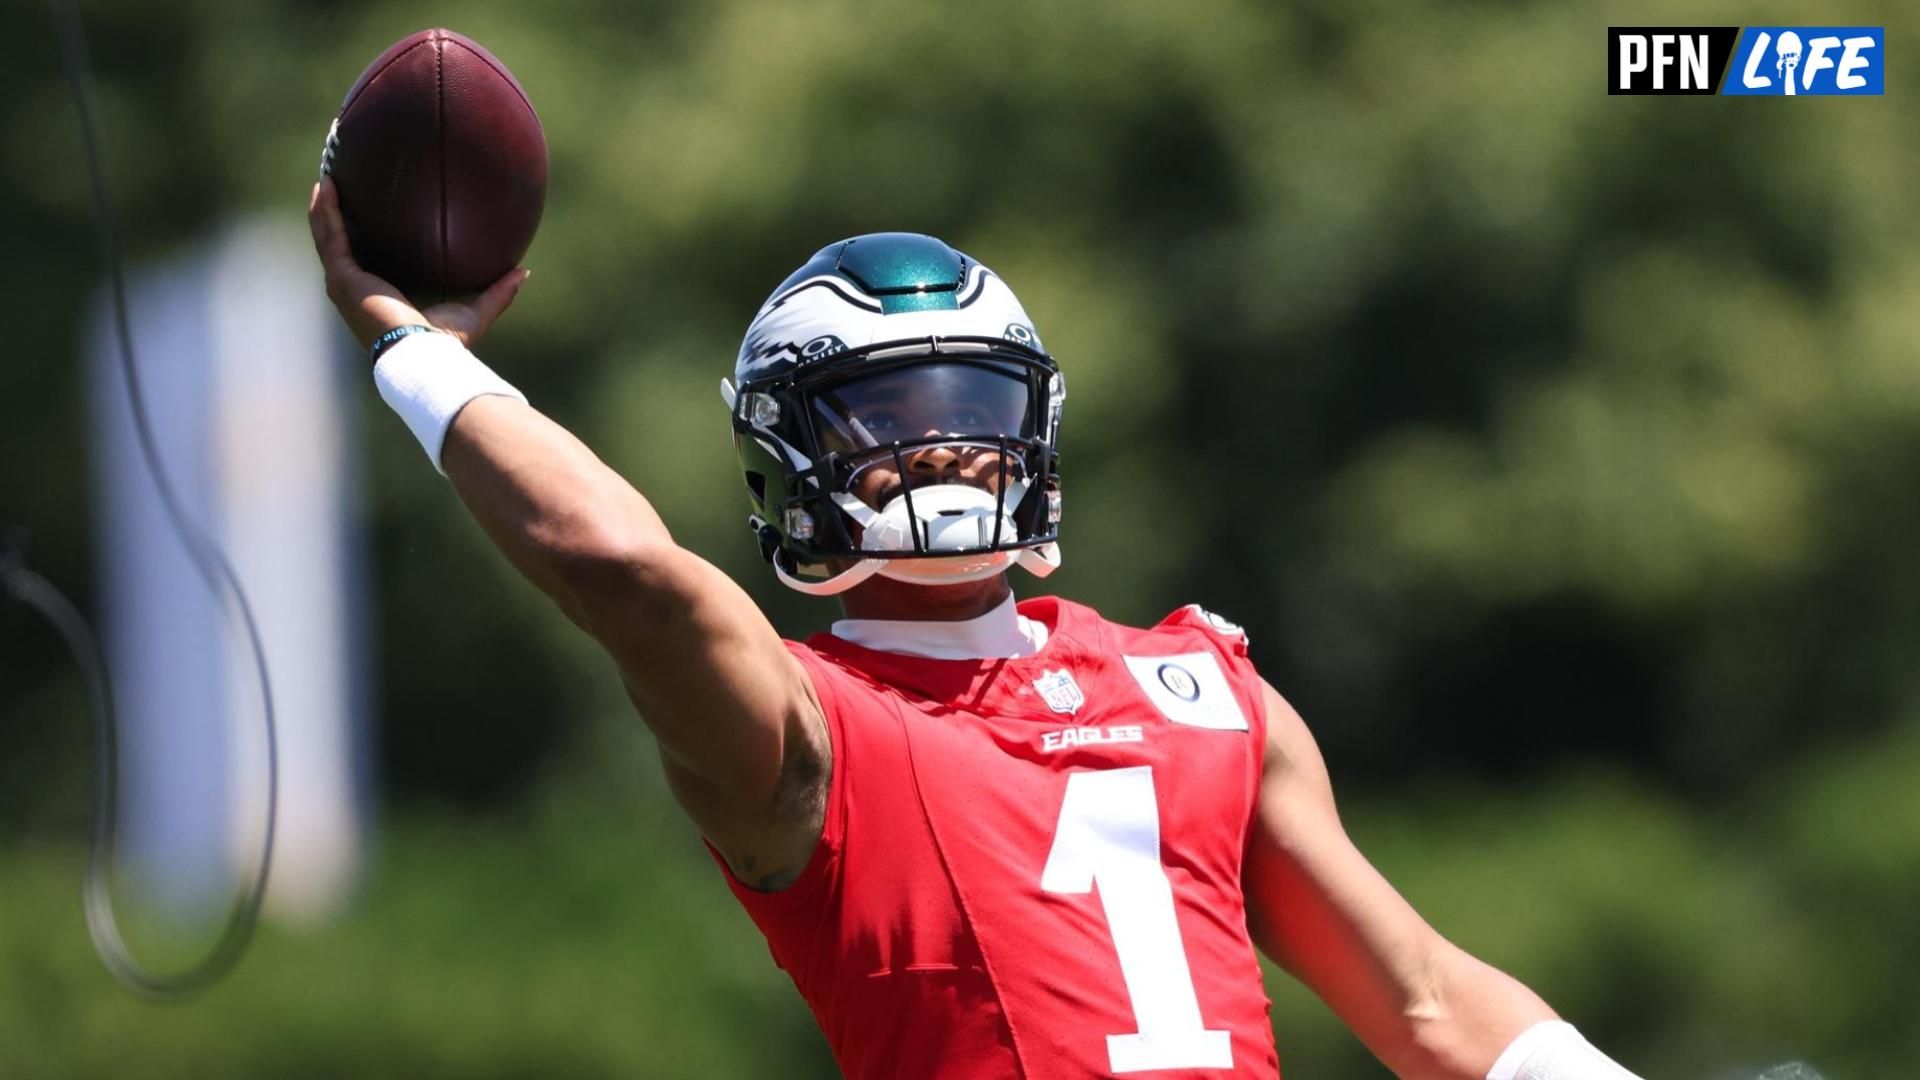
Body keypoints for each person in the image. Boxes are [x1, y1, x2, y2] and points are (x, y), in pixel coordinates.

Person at [309, 177, 1643, 1080]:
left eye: (971, 409)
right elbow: (619, 566)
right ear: (791, 463)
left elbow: (1426, 1003)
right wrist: (413, 345)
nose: (942, 451)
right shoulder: (807, 725)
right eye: (883, 423)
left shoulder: (1204, 685)